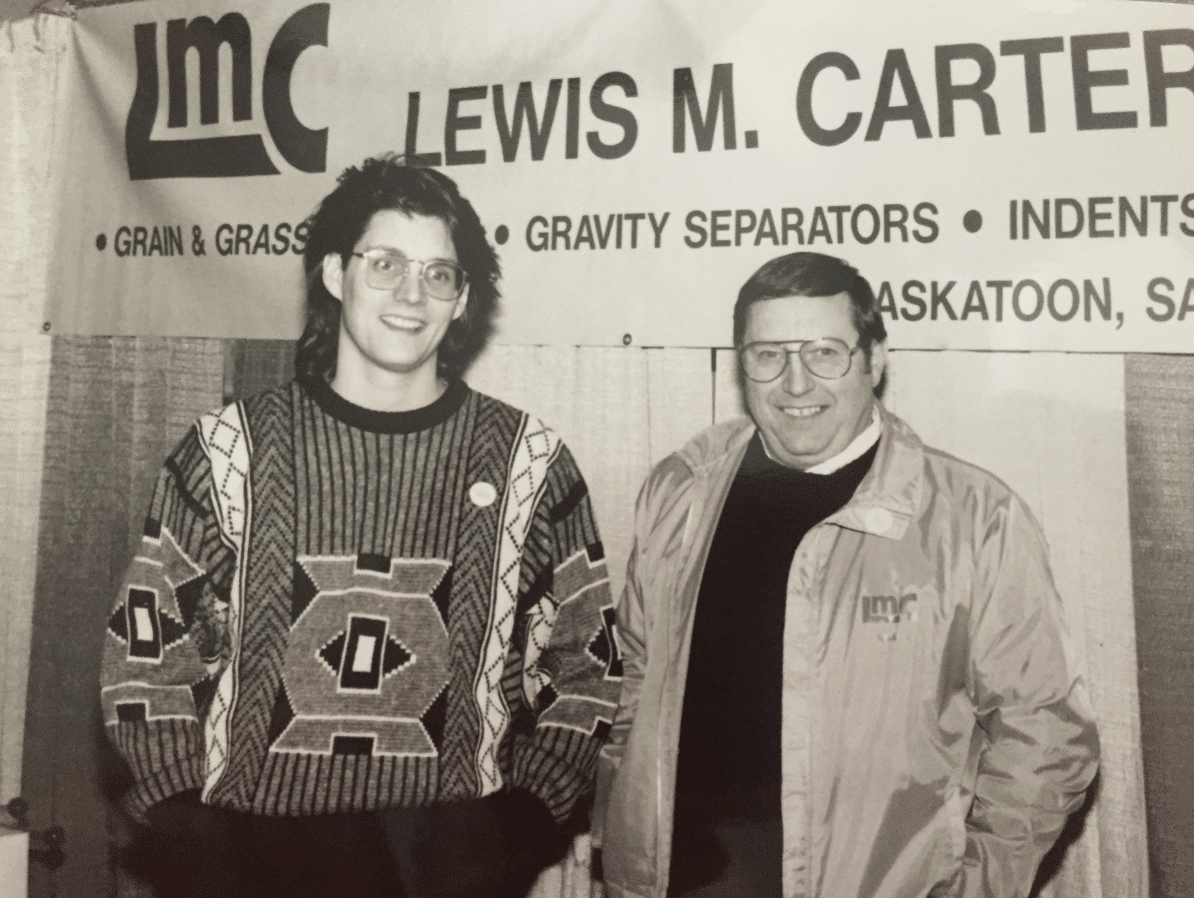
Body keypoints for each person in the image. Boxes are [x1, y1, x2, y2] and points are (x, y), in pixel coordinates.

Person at [100, 155, 622, 898]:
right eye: (385, 265)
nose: (413, 294)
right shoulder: (229, 453)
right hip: (254, 857)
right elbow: (145, 656)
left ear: (462, 297)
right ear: (336, 275)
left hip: (451, 863)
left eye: (439, 273)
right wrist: (191, 824)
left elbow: (589, 663)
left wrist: (524, 818)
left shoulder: (529, 463)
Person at [592, 252, 1100, 898]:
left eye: (825, 353)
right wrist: (621, 850)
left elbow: (1050, 734)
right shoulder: (680, 494)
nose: (796, 384)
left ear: (876, 358)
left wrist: (975, 887)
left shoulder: (975, 521)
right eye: (768, 355)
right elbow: (632, 686)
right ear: (739, 362)